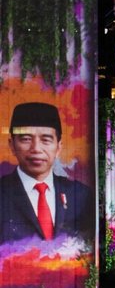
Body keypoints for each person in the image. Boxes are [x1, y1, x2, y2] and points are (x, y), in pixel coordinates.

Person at [0, 102, 94, 242]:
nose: (36, 148)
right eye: (26, 139)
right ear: (12, 145)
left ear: (58, 147)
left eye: (46, 140)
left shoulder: (80, 195)